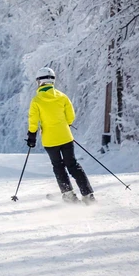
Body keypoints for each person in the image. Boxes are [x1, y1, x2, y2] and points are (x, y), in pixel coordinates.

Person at [27, 67, 95, 203]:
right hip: (66, 137)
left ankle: (69, 195)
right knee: (73, 164)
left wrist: (31, 136)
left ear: (39, 82)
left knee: (58, 166)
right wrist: (64, 126)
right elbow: (71, 117)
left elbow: (33, 121)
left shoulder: (37, 100)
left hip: (50, 140)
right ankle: (88, 195)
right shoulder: (62, 96)